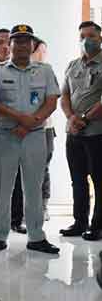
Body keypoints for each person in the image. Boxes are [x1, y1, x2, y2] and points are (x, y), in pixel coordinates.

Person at [0, 24, 60, 255]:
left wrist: (31, 123)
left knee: (34, 188)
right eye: (17, 41)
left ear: (32, 45)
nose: (22, 45)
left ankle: (36, 237)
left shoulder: (45, 70)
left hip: (35, 136)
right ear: (11, 45)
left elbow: (51, 101)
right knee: (1, 188)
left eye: (27, 41)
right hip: (5, 135)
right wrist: (20, 119)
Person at [60, 21, 102, 240]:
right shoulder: (72, 65)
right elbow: (64, 96)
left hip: (97, 133)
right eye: (83, 36)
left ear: (100, 38)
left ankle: (98, 225)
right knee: (77, 179)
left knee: (99, 179)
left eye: (92, 36)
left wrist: (85, 118)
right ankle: (79, 221)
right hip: (74, 133)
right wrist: (71, 118)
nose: (87, 40)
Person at [0, 28, 26, 234]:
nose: (4, 45)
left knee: (17, 177)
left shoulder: (23, 68)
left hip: (21, 127)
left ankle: (16, 219)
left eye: (7, 42)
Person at [31, 38, 54, 220]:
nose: (43, 55)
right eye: (41, 51)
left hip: (45, 127)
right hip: (24, 126)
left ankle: (43, 206)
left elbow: (52, 100)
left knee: (43, 167)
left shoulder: (46, 71)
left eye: (45, 51)